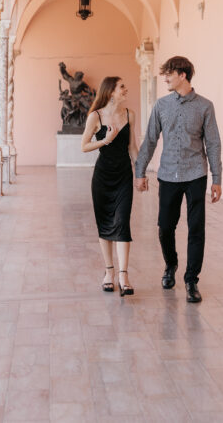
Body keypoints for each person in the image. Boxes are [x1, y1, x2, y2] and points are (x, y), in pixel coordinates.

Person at [135, 56, 222, 303]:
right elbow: (150, 140)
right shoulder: (161, 106)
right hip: (168, 174)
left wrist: (217, 178)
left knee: (196, 229)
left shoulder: (205, 106)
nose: (165, 78)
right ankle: (170, 265)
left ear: (182, 75)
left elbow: (213, 144)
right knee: (165, 227)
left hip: (196, 174)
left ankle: (191, 280)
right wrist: (140, 171)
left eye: (169, 74)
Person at [81, 76, 140, 298]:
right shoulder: (95, 117)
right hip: (103, 177)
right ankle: (109, 272)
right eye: (121, 87)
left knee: (122, 221)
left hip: (124, 175)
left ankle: (123, 275)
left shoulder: (129, 115)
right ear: (111, 91)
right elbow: (84, 146)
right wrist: (106, 140)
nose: (125, 89)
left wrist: (140, 172)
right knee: (105, 223)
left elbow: (133, 147)